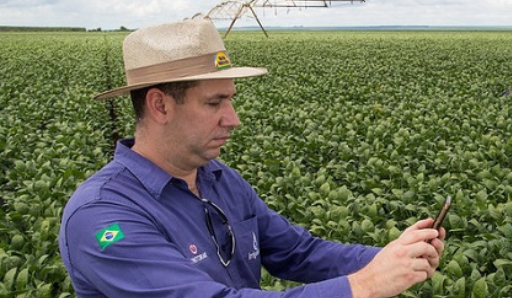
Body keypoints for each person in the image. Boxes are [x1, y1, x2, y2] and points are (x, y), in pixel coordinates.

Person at [58, 19, 445, 298]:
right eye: (215, 103)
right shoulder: (103, 217)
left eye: (231, 100)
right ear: (160, 105)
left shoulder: (217, 178)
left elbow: (297, 252)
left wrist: (393, 257)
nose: (233, 119)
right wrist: (365, 284)